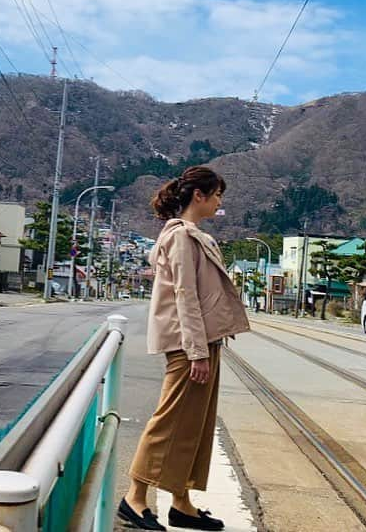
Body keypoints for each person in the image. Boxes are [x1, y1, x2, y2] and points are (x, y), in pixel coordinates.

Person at [118, 166, 250, 531]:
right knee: (170, 419)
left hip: (205, 341)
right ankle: (134, 497)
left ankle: (181, 500)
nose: (220, 202)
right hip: (188, 344)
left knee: (196, 424)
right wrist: (196, 351)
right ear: (199, 196)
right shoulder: (180, 238)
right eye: (217, 195)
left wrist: (206, 346)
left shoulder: (194, 236)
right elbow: (185, 296)